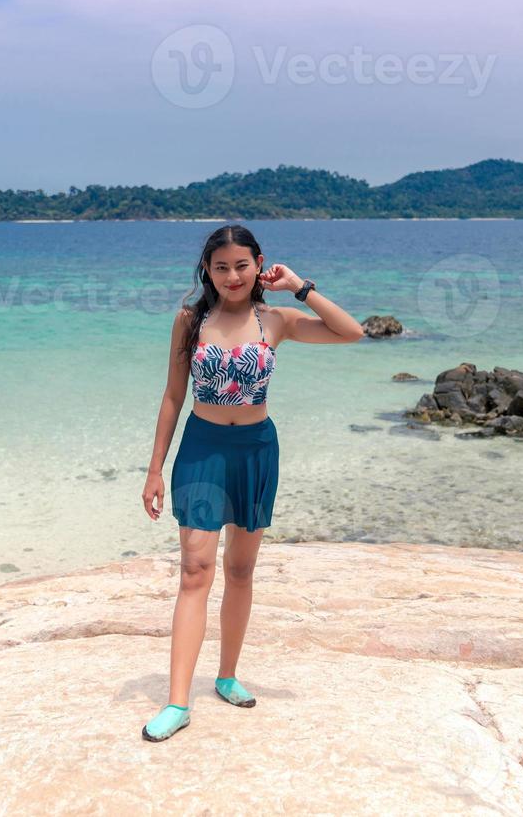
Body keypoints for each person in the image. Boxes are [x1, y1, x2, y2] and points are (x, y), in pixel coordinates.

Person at [139, 223, 365, 741]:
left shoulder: (276, 320)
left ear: (259, 263)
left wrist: (301, 287)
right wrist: (154, 469)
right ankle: (177, 702)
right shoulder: (189, 321)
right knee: (195, 570)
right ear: (208, 271)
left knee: (240, 570)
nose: (232, 276)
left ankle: (227, 676)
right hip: (202, 449)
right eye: (221, 267)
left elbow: (352, 331)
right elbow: (173, 397)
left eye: (241, 265)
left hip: (257, 451)